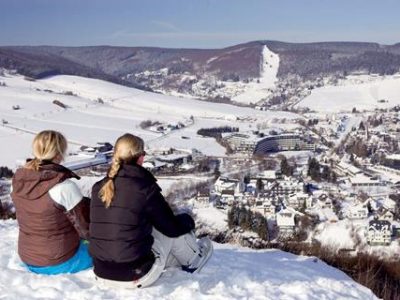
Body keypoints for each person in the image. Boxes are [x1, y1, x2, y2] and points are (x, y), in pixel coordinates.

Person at [90, 133, 213, 288]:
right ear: (140, 158)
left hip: (101, 272)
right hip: (135, 274)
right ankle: (194, 260)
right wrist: (188, 221)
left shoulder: (97, 188)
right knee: (168, 227)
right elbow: (171, 228)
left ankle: (173, 259)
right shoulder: (144, 188)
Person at [11, 130, 92, 275]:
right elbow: (87, 229)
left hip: (28, 257)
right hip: (60, 261)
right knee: (100, 249)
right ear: (59, 154)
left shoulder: (18, 182)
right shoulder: (64, 187)